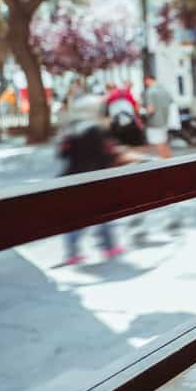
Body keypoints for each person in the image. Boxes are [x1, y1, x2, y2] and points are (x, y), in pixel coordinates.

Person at [57, 94, 131, 264]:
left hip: (72, 178)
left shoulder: (71, 128)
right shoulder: (94, 130)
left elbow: (62, 153)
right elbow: (105, 155)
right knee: (100, 214)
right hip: (92, 178)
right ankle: (107, 246)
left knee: (84, 217)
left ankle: (75, 252)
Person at [143, 74, 173, 158]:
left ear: (148, 80)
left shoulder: (150, 91)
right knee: (164, 142)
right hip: (165, 119)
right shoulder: (164, 89)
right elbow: (171, 102)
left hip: (154, 121)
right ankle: (169, 161)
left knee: (158, 144)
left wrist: (143, 113)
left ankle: (163, 164)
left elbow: (150, 109)